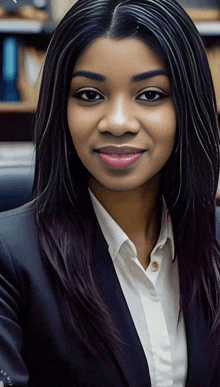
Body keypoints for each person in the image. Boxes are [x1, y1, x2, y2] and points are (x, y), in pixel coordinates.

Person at [0, 0, 220, 385]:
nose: (117, 123)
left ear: (188, 106)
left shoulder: (214, 240)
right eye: (89, 95)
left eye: (150, 95)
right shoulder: (10, 256)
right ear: (59, 106)